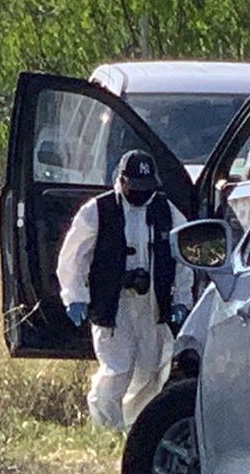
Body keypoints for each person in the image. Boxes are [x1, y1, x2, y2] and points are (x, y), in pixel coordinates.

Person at [56, 149, 192, 430]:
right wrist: (75, 297)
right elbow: (72, 257)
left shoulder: (165, 210)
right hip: (114, 304)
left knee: (151, 370)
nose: (142, 193)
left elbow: (184, 256)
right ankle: (106, 427)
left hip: (152, 305)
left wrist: (181, 298)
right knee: (117, 369)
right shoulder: (98, 210)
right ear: (123, 180)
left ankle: (137, 428)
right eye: (136, 186)